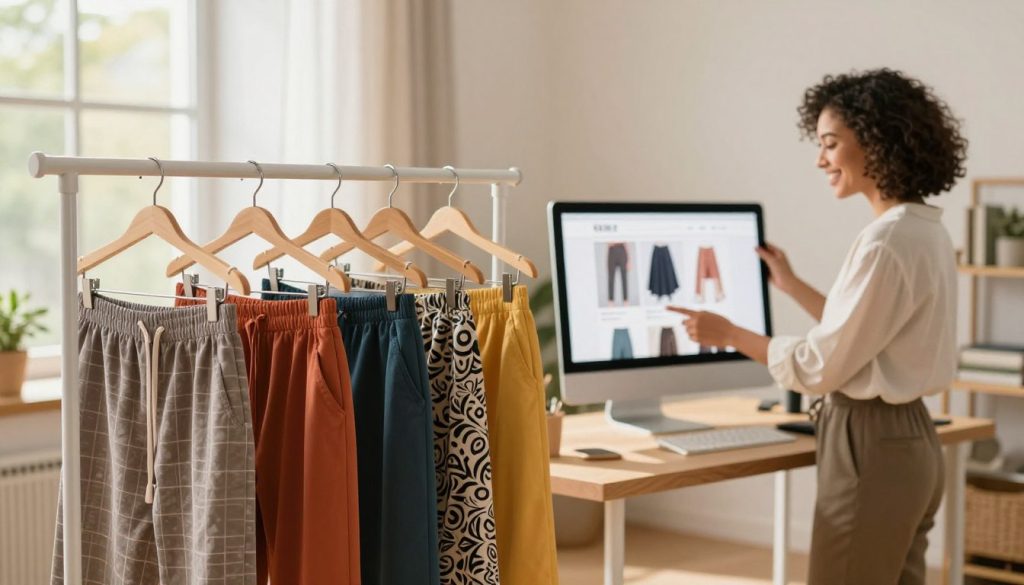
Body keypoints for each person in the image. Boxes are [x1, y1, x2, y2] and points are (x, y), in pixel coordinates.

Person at [670, 68, 968, 585]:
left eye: (830, 144)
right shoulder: (924, 230)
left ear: (875, 144)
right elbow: (869, 335)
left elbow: (820, 365)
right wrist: (791, 284)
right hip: (914, 442)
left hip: (870, 443)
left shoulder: (884, 242)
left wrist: (730, 334)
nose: (820, 159)